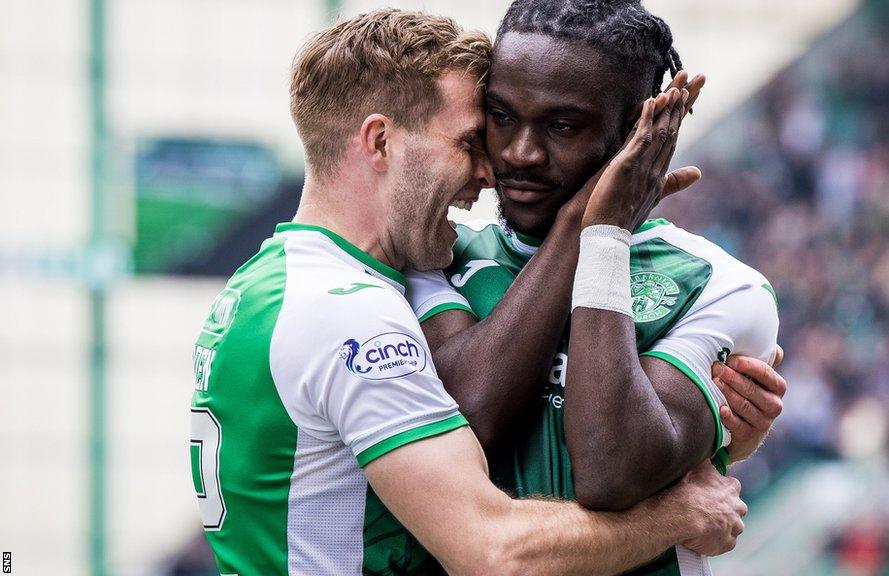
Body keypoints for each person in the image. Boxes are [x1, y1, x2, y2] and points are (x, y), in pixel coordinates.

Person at [188, 9, 747, 576]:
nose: (492, 170)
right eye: (468, 140)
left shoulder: (265, 287)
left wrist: (717, 428)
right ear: (381, 142)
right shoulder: (350, 316)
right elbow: (494, 551)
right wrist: (674, 516)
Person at [404, 1, 788, 574]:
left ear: (637, 131)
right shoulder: (435, 254)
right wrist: (578, 226)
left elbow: (613, 469)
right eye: (502, 116)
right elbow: (467, 417)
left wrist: (604, 240)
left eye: (561, 126)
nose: (520, 153)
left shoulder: (722, 287)